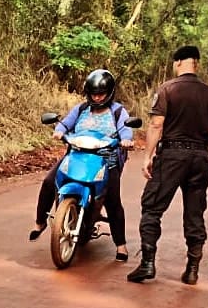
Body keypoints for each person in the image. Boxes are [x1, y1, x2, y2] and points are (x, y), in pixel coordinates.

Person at [127, 45, 208, 285]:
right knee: (195, 212)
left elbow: (157, 125)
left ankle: (147, 264)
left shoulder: (168, 89)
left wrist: (148, 156)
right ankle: (192, 269)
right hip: (199, 157)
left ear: (178, 62)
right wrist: (204, 155)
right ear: (196, 64)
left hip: (171, 156)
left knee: (152, 208)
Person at [30, 69, 135, 261]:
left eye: (101, 93)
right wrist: (59, 131)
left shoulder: (118, 111)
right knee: (48, 182)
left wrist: (126, 140)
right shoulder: (80, 109)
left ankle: (121, 245)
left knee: (112, 200)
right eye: (93, 93)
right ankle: (40, 222)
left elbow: (126, 130)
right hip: (77, 156)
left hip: (106, 160)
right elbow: (65, 124)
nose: (96, 97)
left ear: (110, 93)